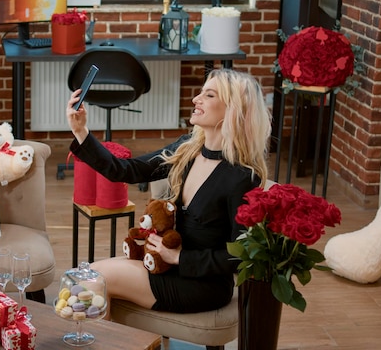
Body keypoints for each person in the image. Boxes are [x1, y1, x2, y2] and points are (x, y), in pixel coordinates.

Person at [66, 68, 272, 314]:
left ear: (233, 109)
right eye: (201, 93)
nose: (196, 99)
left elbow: (243, 255)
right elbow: (126, 171)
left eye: (209, 95)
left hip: (201, 284)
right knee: (86, 276)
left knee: (90, 281)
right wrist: (80, 131)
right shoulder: (187, 149)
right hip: (166, 265)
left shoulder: (242, 177)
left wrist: (180, 258)